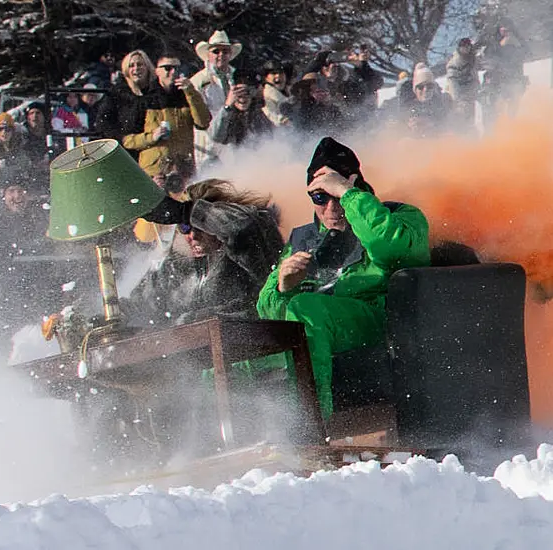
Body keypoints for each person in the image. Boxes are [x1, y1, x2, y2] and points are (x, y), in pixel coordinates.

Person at [256, 138, 431, 420]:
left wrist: (348, 194)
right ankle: (221, 446)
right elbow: (272, 314)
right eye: (320, 197)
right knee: (230, 351)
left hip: (380, 322)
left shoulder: (399, 217)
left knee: (307, 309)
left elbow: (392, 247)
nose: (332, 208)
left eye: (336, 195)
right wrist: (283, 287)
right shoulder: (303, 238)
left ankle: (308, 428)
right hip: (321, 329)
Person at [126, 178, 284, 327]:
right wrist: (111, 316)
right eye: (185, 227)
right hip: (194, 353)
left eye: (201, 226)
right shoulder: (173, 267)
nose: (193, 236)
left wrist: (186, 212)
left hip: (257, 345)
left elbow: (243, 227)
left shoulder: (248, 246)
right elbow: (139, 305)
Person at [190, 30, 242, 167]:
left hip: (232, 143)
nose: (221, 55)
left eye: (225, 51)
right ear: (207, 54)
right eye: (216, 51)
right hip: (207, 144)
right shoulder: (198, 81)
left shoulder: (236, 78)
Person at [0, 112, 41, 190]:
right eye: (0, 129)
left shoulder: (19, 144)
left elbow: (26, 166)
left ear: (13, 131)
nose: (4, 132)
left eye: (7, 129)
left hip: (18, 187)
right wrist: (10, 174)